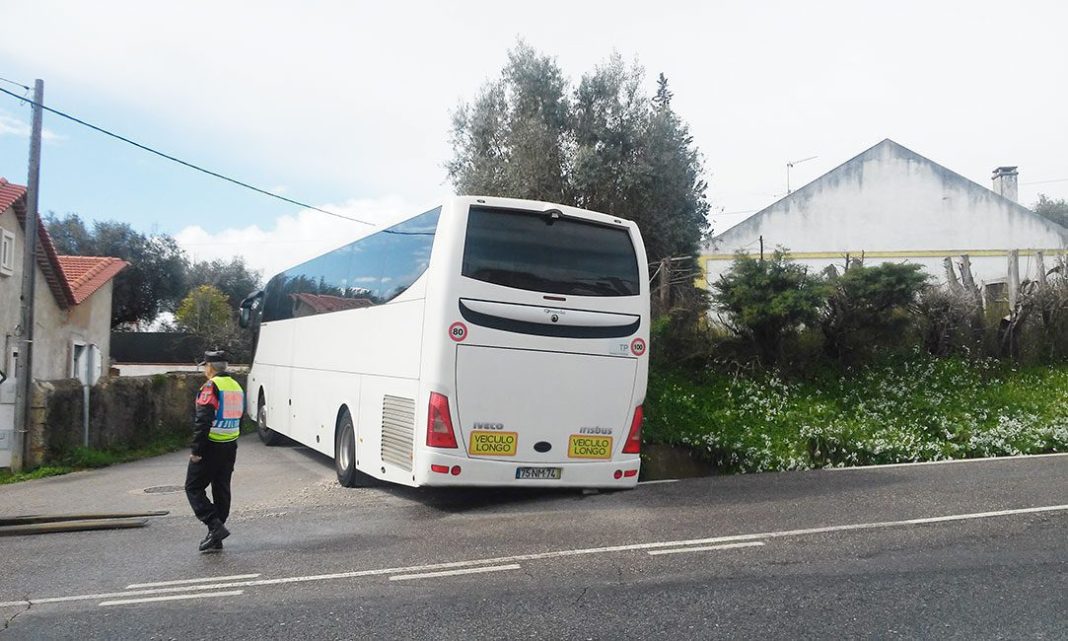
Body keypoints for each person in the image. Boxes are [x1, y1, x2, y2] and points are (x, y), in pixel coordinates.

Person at [185, 350, 244, 552]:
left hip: (211, 445)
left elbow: (203, 420)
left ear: (210, 367)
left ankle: (214, 525)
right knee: (221, 489)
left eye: (205, 366)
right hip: (230, 444)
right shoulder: (236, 386)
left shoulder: (212, 386)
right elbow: (240, 417)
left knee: (193, 487)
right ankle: (215, 536)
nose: (204, 369)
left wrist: (196, 450)